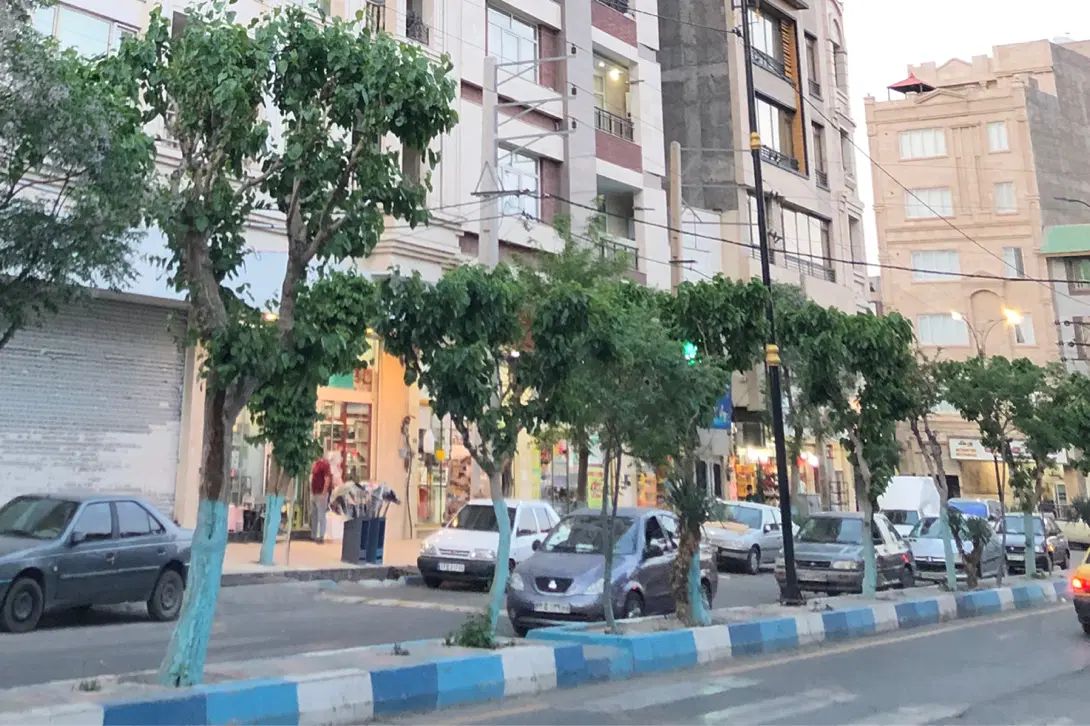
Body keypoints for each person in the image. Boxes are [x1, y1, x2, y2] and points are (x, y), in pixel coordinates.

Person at [311, 456, 332, 543]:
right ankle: (314, 535)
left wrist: (324, 492)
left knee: (321, 515)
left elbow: (327, 478)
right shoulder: (316, 464)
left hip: (321, 493)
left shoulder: (324, 464)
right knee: (314, 515)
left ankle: (321, 536)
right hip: (315, 493)